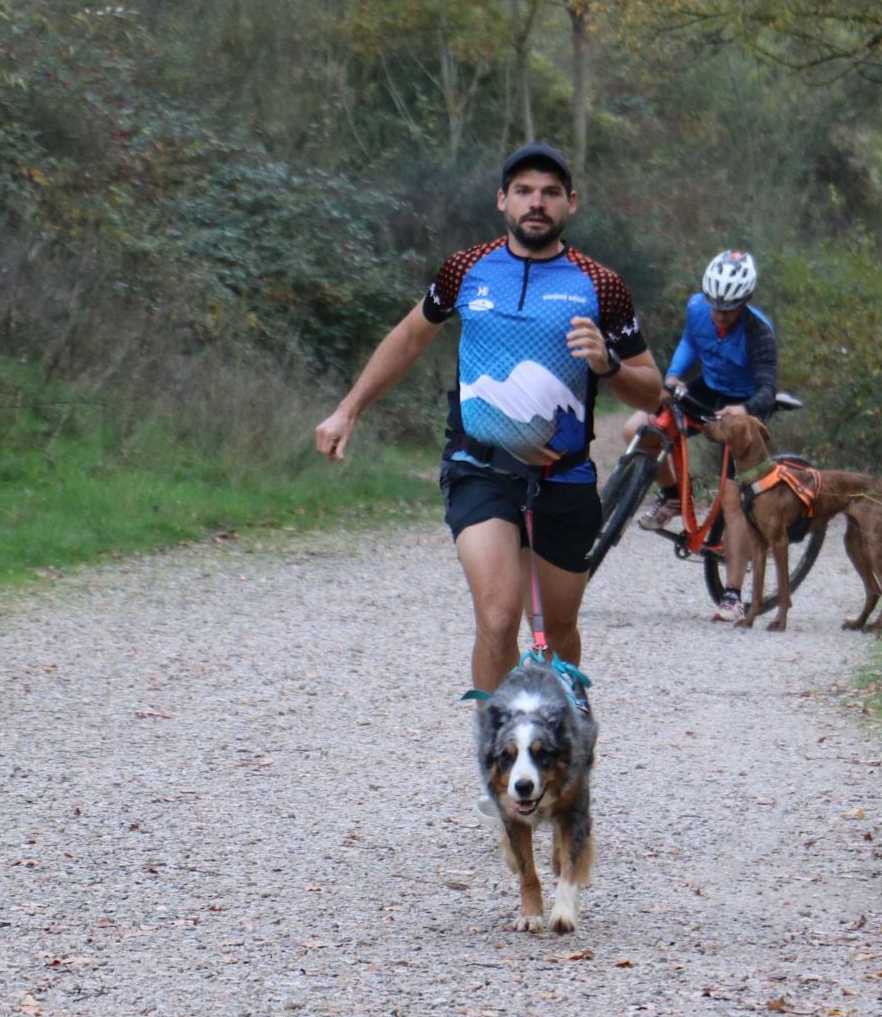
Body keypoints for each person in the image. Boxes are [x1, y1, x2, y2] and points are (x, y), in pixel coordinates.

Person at [314, 141, 664, 693]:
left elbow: (652, 390)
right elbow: (409, 338)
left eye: (550, 193)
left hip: (565, 477)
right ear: (502, 200)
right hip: (479, 467)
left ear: (571, 204)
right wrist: (347, 410)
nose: (536, 203)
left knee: (558, 629)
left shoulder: (600, 284)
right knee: (499, 618)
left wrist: (608, 361)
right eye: (524, 191)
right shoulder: (465, 269)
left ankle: (559, 727)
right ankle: (496, 758)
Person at [621, 248, 779, 620]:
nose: (719, 315)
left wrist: (746, 410)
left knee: (731, 499)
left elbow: (768, 387)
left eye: (729, 309)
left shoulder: (759, 332)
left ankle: (733, 593)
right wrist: (674, 375)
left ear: (745, 302)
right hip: (708, 388)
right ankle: (673, 495)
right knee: (637, 427)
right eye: (715, 306)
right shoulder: (696, 308)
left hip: (743, 406)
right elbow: (692, 341)